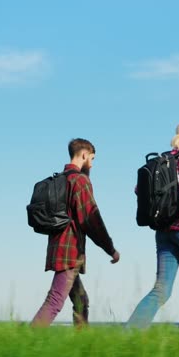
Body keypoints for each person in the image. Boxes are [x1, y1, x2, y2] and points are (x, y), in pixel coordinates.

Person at [127, 120, 179, 328]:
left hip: (164, 232)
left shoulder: (164, 159)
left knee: (161, 290)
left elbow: (139, 190)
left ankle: (129, 333)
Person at [31, 138, 120, 327]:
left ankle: (82, 344)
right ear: (84, 155)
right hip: (69, 251)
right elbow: (91, 220)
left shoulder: (62, 179)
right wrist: (110, 248)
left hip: (59, 248)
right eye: (92, 159)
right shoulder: (79, 180)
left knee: (81, 301)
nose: (92, 164)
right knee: (55, 301)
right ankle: (25, 341)